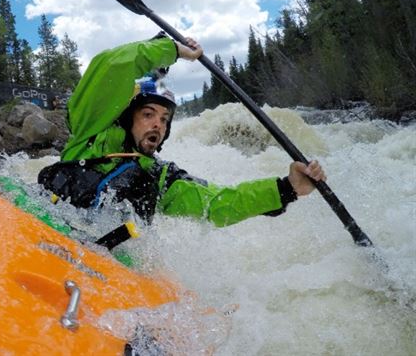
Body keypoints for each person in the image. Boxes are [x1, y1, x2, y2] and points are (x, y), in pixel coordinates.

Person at [38, 33, 326, 228]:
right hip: (45, 226)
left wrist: (287, 189)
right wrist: (170, 50)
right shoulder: (91, 130)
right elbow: (111, 67)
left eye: (164, 119)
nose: (157, 125)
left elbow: (217, 203)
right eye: (148, 114)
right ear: (127, 118)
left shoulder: (159, 176)